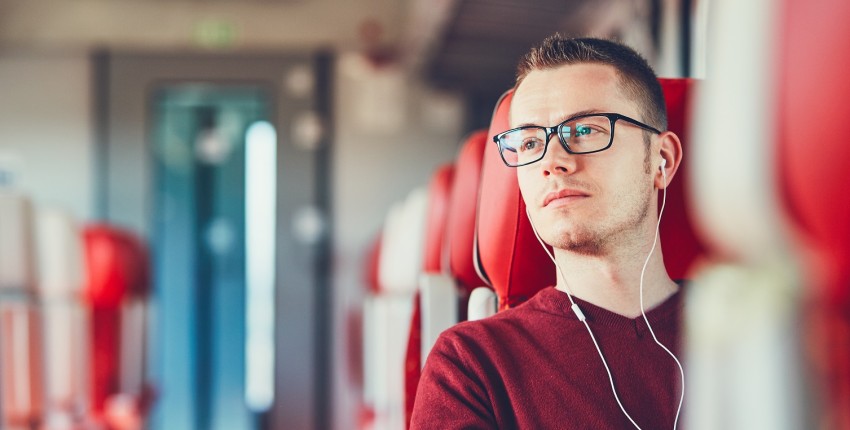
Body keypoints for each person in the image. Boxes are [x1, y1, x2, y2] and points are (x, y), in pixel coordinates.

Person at [410, 35, 685, 429]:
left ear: (661, 160)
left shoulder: (755, 335)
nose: (552, 162)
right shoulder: (472, 365)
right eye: (530, 142)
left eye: (586, 130)